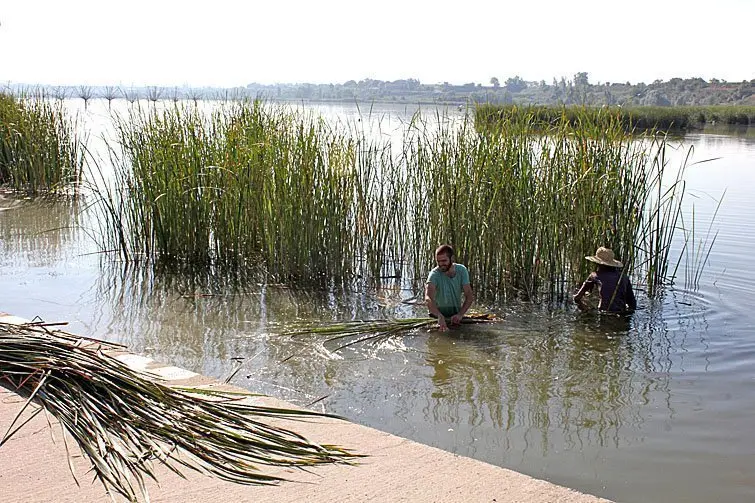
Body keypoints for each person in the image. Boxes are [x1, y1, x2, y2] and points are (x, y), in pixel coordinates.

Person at [425, 244, 475, 331]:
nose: (441, 264)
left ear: (452, 258)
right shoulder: (434, 274)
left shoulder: (462, 270)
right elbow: (428, 298)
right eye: (438, 261)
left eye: (444, 261)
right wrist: (439, 316)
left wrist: (460, 314)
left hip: (455, 315)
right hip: (437, 316)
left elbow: (469, 296)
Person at [573, 246, 636, 314]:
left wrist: (584, 307)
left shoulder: (594, 275)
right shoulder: (624, 277)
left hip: (604, 312)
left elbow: (577, 298)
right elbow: (632, 304)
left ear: (598, 263)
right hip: (621, 313)